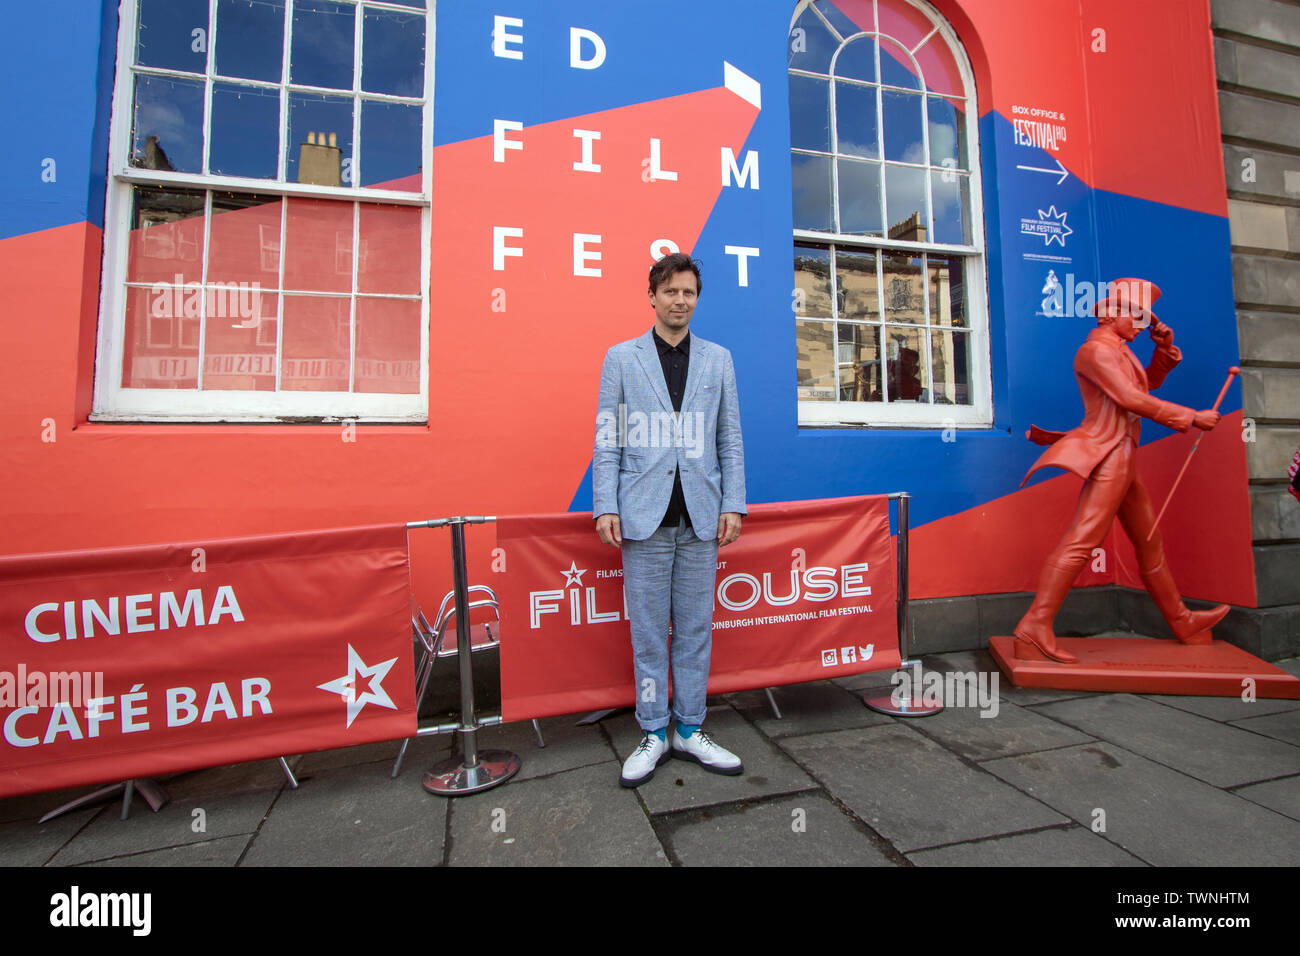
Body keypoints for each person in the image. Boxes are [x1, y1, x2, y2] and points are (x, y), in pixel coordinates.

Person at [592, 253, 747, 787]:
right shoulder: (622, 358)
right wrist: (605, 504)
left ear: (696, 299)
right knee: (650, 634)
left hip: (702, 517)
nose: (680, 301)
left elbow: (730, 437)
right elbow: (607, 437)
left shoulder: (719, 359)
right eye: (671, 291)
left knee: (697, 631)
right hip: (643, 517)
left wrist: (733, 502)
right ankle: (654, 731)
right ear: (652, 296)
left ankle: (691, 727)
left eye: (689, 293)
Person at [1016, 278, 1228, 663]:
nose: (1144, 324)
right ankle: (1035, 625)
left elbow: (1145, 388)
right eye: (1138, 315)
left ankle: (1184, 622)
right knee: (1083, 541)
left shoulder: (1120, 351)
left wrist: (1163, 350)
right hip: (1111, 455)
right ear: (1113, 313)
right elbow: (1131, 399)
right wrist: (1192, 417)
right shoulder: (1095, 352)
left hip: (1125, 456)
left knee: (1149, 541)